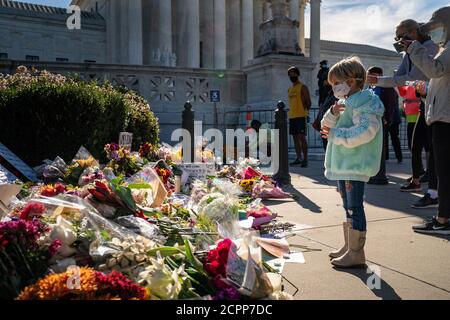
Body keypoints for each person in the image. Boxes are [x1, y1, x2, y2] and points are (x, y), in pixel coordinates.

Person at [366, 19, 439, 204]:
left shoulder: (430, 48)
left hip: (437, 103)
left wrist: (380, 81)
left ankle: (434, 192)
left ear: (413, 32)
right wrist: (379, 80)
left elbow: (411, 78)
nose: (398, 40)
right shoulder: (409, 52)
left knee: (435, 149)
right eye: (396, 37)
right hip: (426, 103)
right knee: (416, 145)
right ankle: (420, 183)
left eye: (401, 36)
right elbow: (402, 78)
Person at [321, 57, 384, 268]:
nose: (334, 88)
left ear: (352, 81)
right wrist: (331, 115)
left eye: (336, 83)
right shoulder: (343, 103)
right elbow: (324, 127)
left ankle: (356, 252)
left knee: (354, 207)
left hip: (354, 164)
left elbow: (366, 131)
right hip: (343, 164)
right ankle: (349, 245)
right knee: (348, 206)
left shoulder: (366, 102)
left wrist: (335, 133)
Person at [404, 6, 450, 234]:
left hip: (446, 119)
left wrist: (414, 49)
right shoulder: (446, 48)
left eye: (437, 28)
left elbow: (436, 70)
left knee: (444, 172)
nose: (434, 33)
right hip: (442, 116)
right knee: (442, 170)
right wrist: (426, 94)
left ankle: (443, 221)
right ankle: (443, 217)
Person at [367, 67, 402, 164]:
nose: (369, 78)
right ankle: (384, 157)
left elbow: (391, 104)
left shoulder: (387, 86)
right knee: (383, 138)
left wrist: (388, 118)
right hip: (381, 117)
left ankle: (399, 157)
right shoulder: (371, 87)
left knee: (394, 137)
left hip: (391, 118)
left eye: (371, 75)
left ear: (378, 75)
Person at [288, 66, 312, 167]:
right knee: (295, 138)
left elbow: (308, 102)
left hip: (301, 115)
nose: (292, 75)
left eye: (293, 73)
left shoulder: (303, 87)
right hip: (292, 116)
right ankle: (298, 158)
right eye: (290, 74)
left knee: (302, 138)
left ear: (297, 74)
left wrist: (305, 111)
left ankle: (305, 159)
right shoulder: (289, 89)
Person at [313, 85, 338, 151]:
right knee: (326, 148)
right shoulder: (327, 95)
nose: (324, 83)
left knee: (329, 148)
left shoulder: (336, 96)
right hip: (324, 126)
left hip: (330, 128)